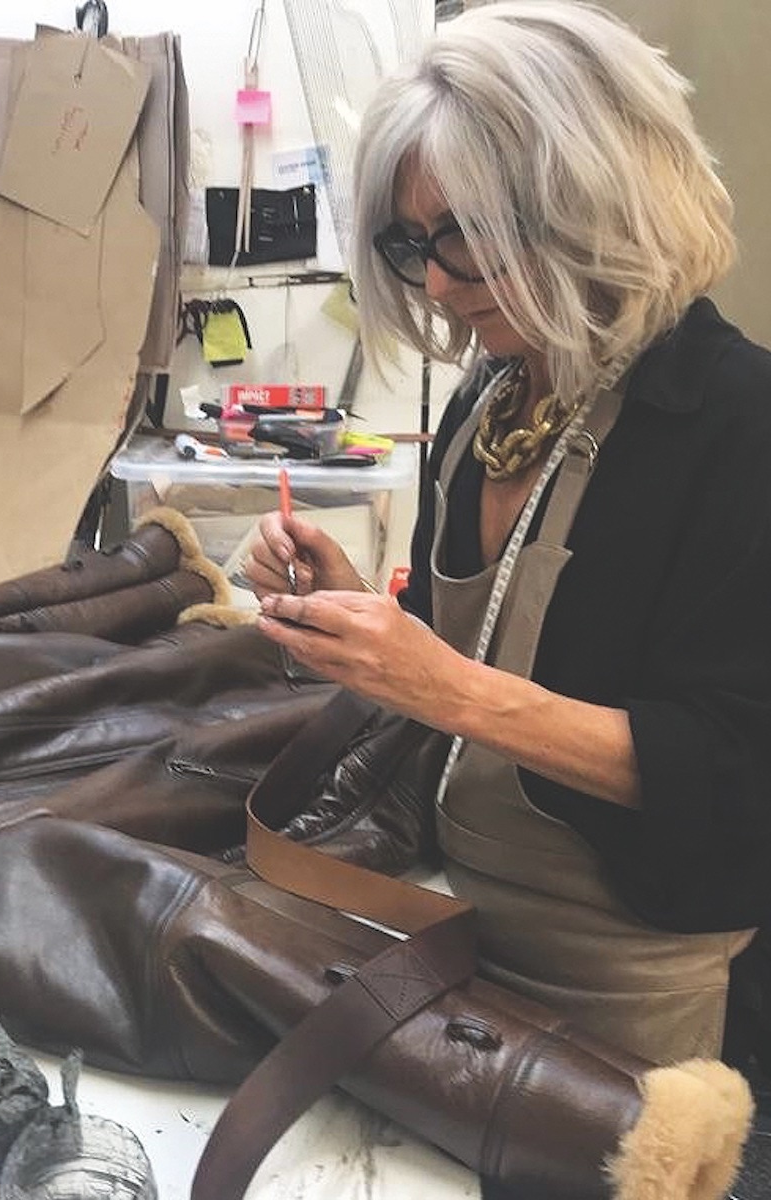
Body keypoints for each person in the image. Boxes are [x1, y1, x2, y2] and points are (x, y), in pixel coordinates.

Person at [244, 0, 771, 1066]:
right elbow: (484, 646)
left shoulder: (737, 425)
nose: (435, 283)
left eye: (467, 236)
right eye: (411, 242)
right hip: (451, 910)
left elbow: (734, 769)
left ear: (592, 200)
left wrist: (444, 687)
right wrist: (362, 615)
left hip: (630, 961)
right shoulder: (490, 399)